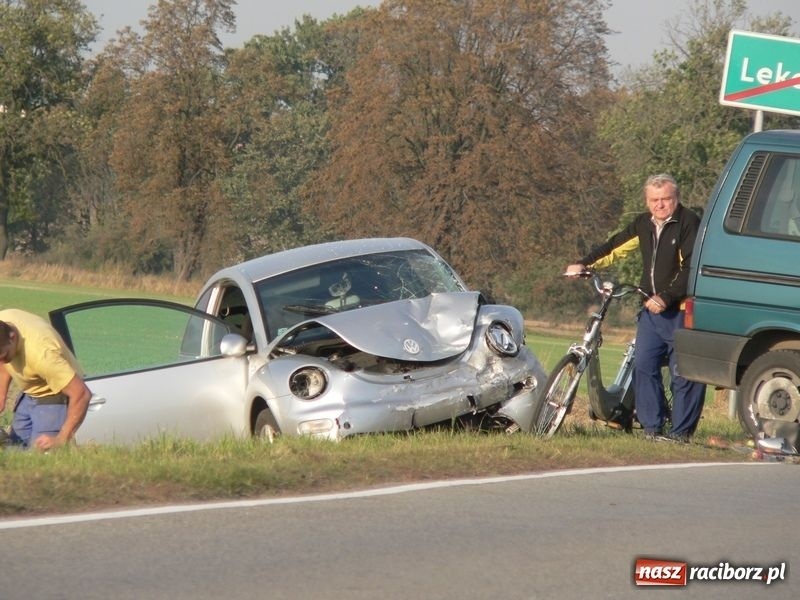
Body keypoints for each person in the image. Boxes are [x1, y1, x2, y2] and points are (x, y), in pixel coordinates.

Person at [565, 173, 706, 442]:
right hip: (650, 311)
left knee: (684, 374)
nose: (660, 205)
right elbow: (615, 246)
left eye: (666, 199)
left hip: (680, 311)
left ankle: (681, 434)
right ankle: (652, 429)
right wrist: (584, 264)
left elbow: (692, 267)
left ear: (676, 198)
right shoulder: (644, 224)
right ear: (647, 201)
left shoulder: (689, 223)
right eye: (654, 200)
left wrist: (666, 297)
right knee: (643, 365)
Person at [0, 308, 92, 451]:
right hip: (29, 393)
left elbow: (82, 394)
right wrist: (1, 394)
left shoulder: (43, 355)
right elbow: (4, 362)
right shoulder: (4, 319)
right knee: (14, 450)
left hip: (53, 396)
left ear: (12, 337)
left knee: (42, 453)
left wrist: (61, 439)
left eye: (4, 356)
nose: (3, 361)